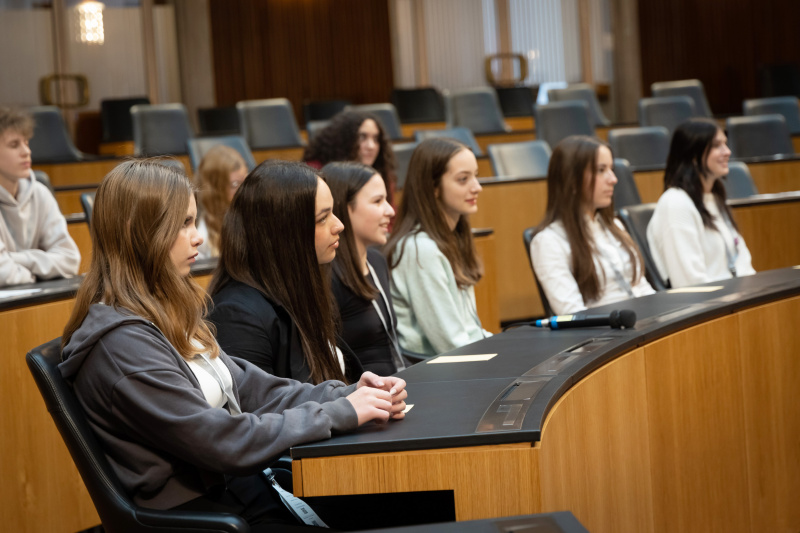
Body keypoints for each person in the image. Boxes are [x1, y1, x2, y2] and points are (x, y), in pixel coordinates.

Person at [59, 159, 406, 531]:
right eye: (183, 224)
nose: (198, 238)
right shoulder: (121, 344)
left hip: (240, 494)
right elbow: (221, 439)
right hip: (204, 515)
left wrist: (349, 394)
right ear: (136, 231)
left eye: (194, 221)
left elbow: (255, 388)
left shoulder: (165, 313)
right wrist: (340, 412)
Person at [208, 160, 363, 384]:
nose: (339, 225)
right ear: (284, 233)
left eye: (333, 213)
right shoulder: (237, 315)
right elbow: (259, 411)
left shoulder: (299, 288)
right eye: (322, 218)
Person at [383, 137, 491, 357]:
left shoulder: (452, 238)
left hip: (467, 362)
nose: (477, 187)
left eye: (476, 176)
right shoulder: (420, 249)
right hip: (440, 373)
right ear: (433, 188)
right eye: (463, 179)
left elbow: (470, 330)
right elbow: (452, 345)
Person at [530, 136, 654, 315]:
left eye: (611, 169)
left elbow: (643, 289)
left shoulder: (615, 225)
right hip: (607, 338)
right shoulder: (548, 242)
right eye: (601, 170)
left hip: (642, 326)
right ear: (571, 180)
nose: (613, 179)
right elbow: (574, 315)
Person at [647, 119, 755, 288]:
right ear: (694, 156)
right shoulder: (676, 203)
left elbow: (743, 262)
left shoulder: (714, 198)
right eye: (717, 145)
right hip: (713, 308)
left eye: (725, 144)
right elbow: (690, 284)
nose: (727, 151)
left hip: (734, 299)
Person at [323, 161, 405, 375]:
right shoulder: (328, 276)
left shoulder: (376, 261)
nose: (390, 210)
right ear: (344, 209)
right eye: (378, 201)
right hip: (362, 395)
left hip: (397, 384)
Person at [0, 106, 80, 286]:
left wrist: (15, 260)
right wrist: (41, 271)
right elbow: (2, 273)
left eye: (26, 142)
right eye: (14, 145)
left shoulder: (39, 192)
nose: (26, 151)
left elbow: (69, 259)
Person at [303, 110, 397, 203]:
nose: (371, 146)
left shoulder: (382, 173)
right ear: (344, 140)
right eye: (362, 137)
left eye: (376, 139)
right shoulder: (316, 174)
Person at [193, 144, 248, 259]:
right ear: (216, 189)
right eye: (235, 184)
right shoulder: (202, 236)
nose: (243, 190)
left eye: (245, 181)